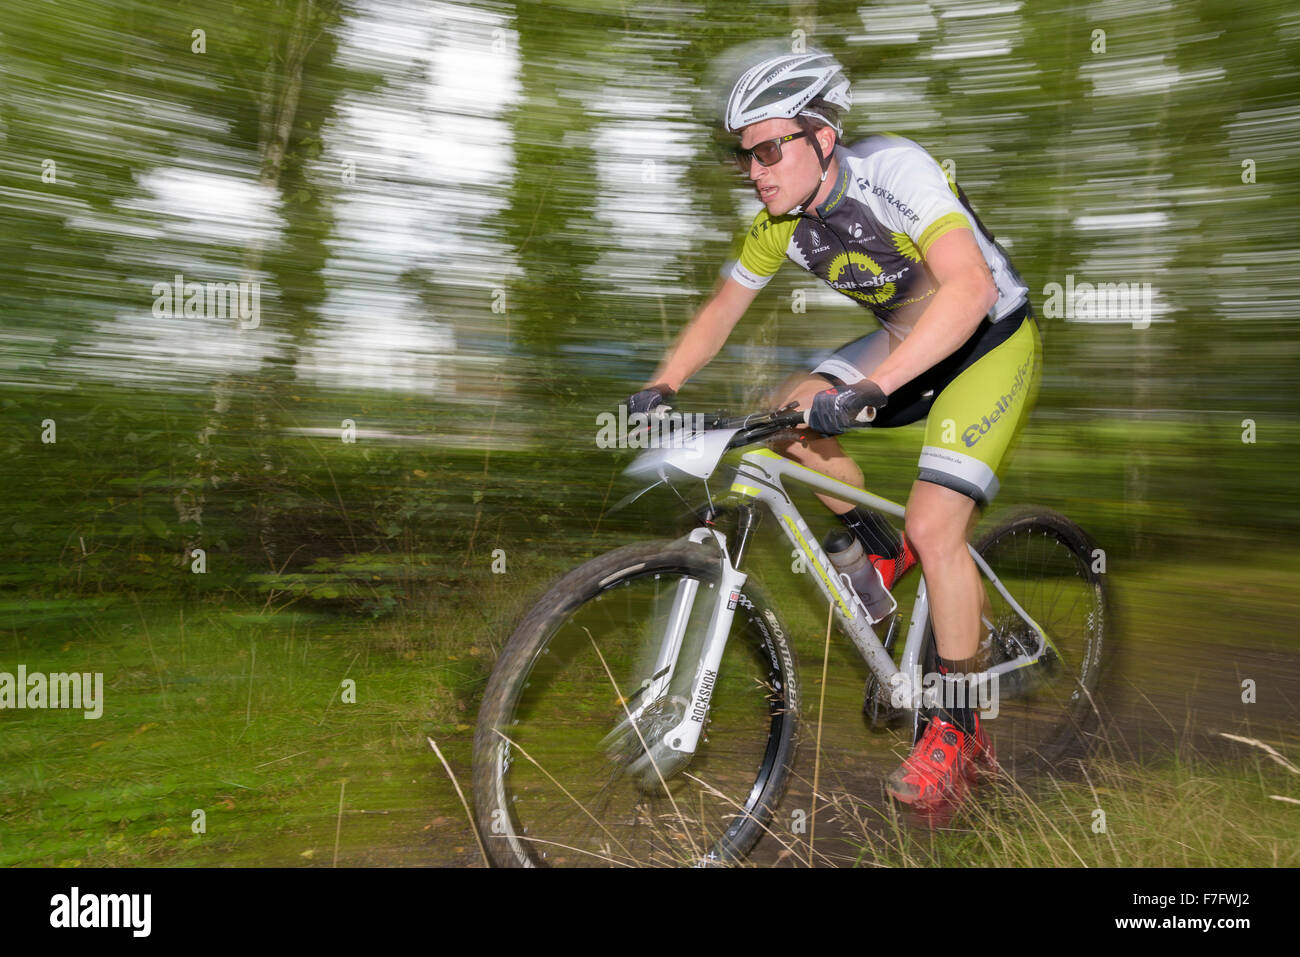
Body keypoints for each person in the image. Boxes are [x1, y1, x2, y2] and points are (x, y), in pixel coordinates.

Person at [625, 44, 1042, 808]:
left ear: (822, 136)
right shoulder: (781, 224)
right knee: (789, 413)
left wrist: (876, 386)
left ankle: (959, 730)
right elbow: (721, 310)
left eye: (769, 148)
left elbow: (971, 285)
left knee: (937, 519)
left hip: (987, 337)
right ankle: (881, 555)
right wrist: (661, 384)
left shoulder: (895, 169)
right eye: (744, 156)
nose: (755, 169)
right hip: (910, 337)